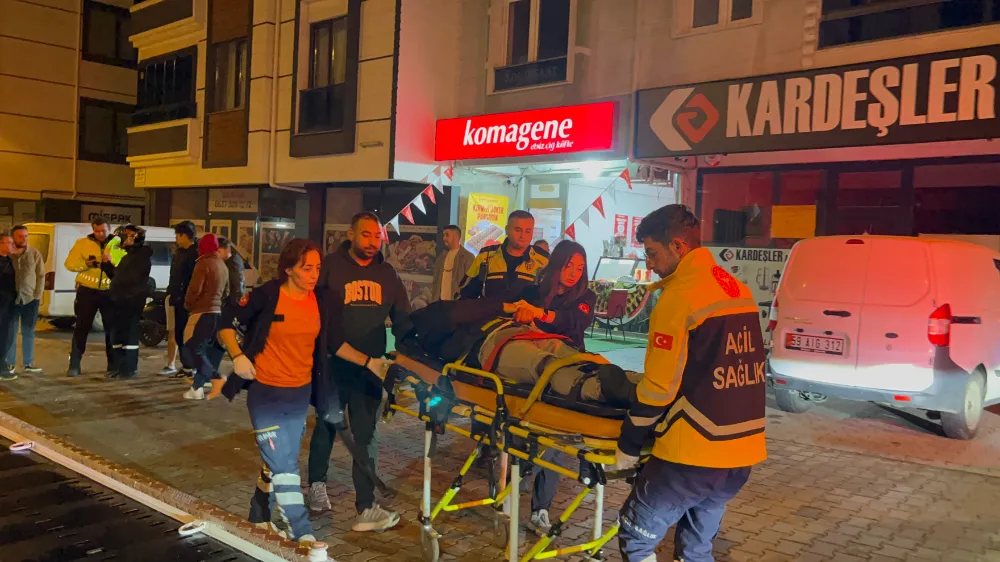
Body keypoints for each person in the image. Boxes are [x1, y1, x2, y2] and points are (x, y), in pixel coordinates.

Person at [615, 205, 767, 562]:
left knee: (636, 537)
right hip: (740, 457)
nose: (650, 264)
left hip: (694, 454)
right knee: (696, 549)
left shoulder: (680, 297)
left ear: (678, 246)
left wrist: (630, 442)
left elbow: (659, 387)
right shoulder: (737, 289)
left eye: (653, 253)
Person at [217, 238, 393, 544]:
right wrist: (238, 355)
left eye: (317, 268)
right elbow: (225, 324)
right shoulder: (267, 295)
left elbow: (335, 343)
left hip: (299, 395)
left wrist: (370, 362)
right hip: (266, 395)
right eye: (306, 268)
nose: (314, 274)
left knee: (277, 461)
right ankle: (303, 535)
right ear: (288, 269)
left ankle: (258, 517)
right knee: (285, 466)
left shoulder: (324, 300)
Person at [305, 211, 411, 532]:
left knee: (366, 436)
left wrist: (406, 354)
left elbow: (403, 319)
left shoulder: (387, 274)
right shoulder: (329, 267)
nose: (372, 241)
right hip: (332, 366)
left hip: (371, 369)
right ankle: (316, 486)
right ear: (351, 234)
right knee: (327, 427)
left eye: (377, 236)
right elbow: (310, 309)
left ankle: (366, 506)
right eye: (366, 234)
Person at [502, 240, 598, 534]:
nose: (574, 273)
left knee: (555, 443)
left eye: (580, 267)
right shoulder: (533, 292)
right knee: (519, 434)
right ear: (557, 264)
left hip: (563, 374)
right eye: (569, 265)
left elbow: (573, 323)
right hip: (529, 373)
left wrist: (540, 315)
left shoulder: (586, 297)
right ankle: (511, 491)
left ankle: (540, 509)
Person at [64, 218, 125, 378]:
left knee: (111, 330)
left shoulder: (118, 244)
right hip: (87, 291)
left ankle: (113, 366)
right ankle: (74, 365)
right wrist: (87, 264)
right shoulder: (82, 243)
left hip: (110, 291)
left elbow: (125, 265)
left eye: (103, 230)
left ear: (109, 229)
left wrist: (112, 261)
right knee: (81, 328)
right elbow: (69, 264)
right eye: (97, 231)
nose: (100, 234)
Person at [459, 210, 548, 302]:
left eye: (528, 231)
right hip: (490, 311)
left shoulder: (543, 260)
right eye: (518, 230)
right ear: (507, 230)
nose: (523, 235)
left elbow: (549, 298)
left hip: (526, 312)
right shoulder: (485, 256)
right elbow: (466, 295)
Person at [103, 225, 153, 379]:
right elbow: (117, 276)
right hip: (119, 300)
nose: (124, 239)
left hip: (131, 302)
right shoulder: (127, 256)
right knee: (118, 335)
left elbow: (130, 278)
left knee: (129, 336)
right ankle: (119, 367)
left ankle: (129, 369)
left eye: (128, 236)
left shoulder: (142, 257)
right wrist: (107, 266)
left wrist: (118, 281)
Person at [182, 233, 228, 400]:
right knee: (201, 349)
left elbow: (195, 289)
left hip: (202, 312)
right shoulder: (222, 265)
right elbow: (226, 291)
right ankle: (197, 388)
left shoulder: (203, 263)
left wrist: (188, 304)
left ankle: (215, 377)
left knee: (192, 347)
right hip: (217, 312)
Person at [6, 225, 44, 375]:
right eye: (20, 236)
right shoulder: (8, 255)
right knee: (11, 332)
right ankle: (10, 364)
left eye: (26, 236)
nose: (24, 239)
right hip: (11, 300)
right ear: (13, 237)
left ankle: (28, 363)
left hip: (30, 300)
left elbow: (40, 275)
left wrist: (37, 296)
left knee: (28, 332)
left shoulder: (34, 254)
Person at [164, 221, 199, 379]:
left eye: (178, 235)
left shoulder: (196, 254)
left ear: (185, 235)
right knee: (179, 333)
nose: (176, 239)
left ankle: (191, 366)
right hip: (177, 299)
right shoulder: (179, 253)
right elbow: (175, 276)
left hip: (189, 301)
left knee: (188, 334)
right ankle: (186, 366)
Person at [431, 225, 474, 303]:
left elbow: (470, 284)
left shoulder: (468, 257)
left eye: (447, 235)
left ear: (456, 237)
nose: (444, 238)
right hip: (439, 304)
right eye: (444, 235)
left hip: (457, 305)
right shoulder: (441, 257)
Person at [0, 233, 18, 381]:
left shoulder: (9, 260)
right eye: (9, 243)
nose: (13, 245)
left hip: (9, 304)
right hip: (2, 303)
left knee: (7, 336)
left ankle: (3, 365)